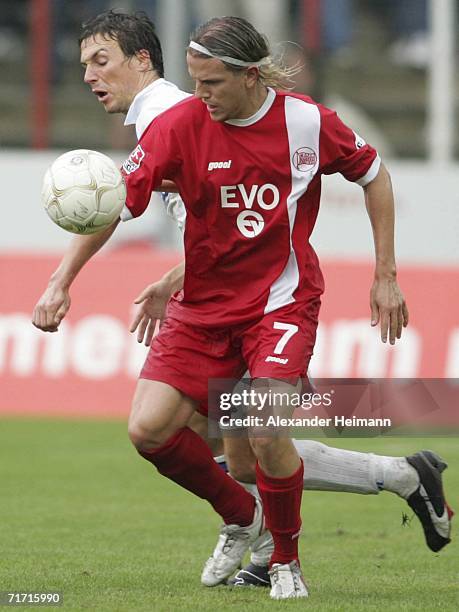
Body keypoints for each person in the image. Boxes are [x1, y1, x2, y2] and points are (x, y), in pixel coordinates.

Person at [31, 12, 453, 600]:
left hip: (278, 303)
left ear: (250, 76)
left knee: (257, 433)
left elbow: (371, 174)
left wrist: (386, 274)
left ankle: (280, 557)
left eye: (100, 62)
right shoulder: (180, 123)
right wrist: (125, 278)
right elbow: (175, 216)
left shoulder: (293, 121)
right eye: (196, 83)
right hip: (206, 308)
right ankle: (366, 485)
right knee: (186, 436)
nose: (89, 76)